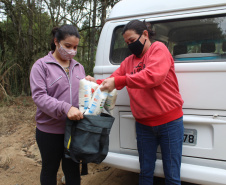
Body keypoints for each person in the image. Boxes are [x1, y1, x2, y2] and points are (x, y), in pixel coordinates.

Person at [86, 20, 184, 185]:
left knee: (172, 176)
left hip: (169, 122)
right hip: (144, 125)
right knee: (145, 173)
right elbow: (113, 79)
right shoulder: (129, 61)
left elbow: (154, 76)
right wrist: (94, 83)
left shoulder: (158, 49)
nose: (130, 45)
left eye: (132, 40)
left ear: (145, 34)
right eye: (127, 42)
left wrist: (119, 81)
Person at [30, 24, 85, 185]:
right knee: (49, 170)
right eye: (68, 46)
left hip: (73, 130)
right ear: (56, 41)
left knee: (73, 171)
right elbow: (39, 97)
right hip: (49, 131)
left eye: (75, 47)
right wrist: (66, 108)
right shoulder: (41, 66)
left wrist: (91, 87)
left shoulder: (79, 67)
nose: (72, 51)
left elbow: (82, 96)